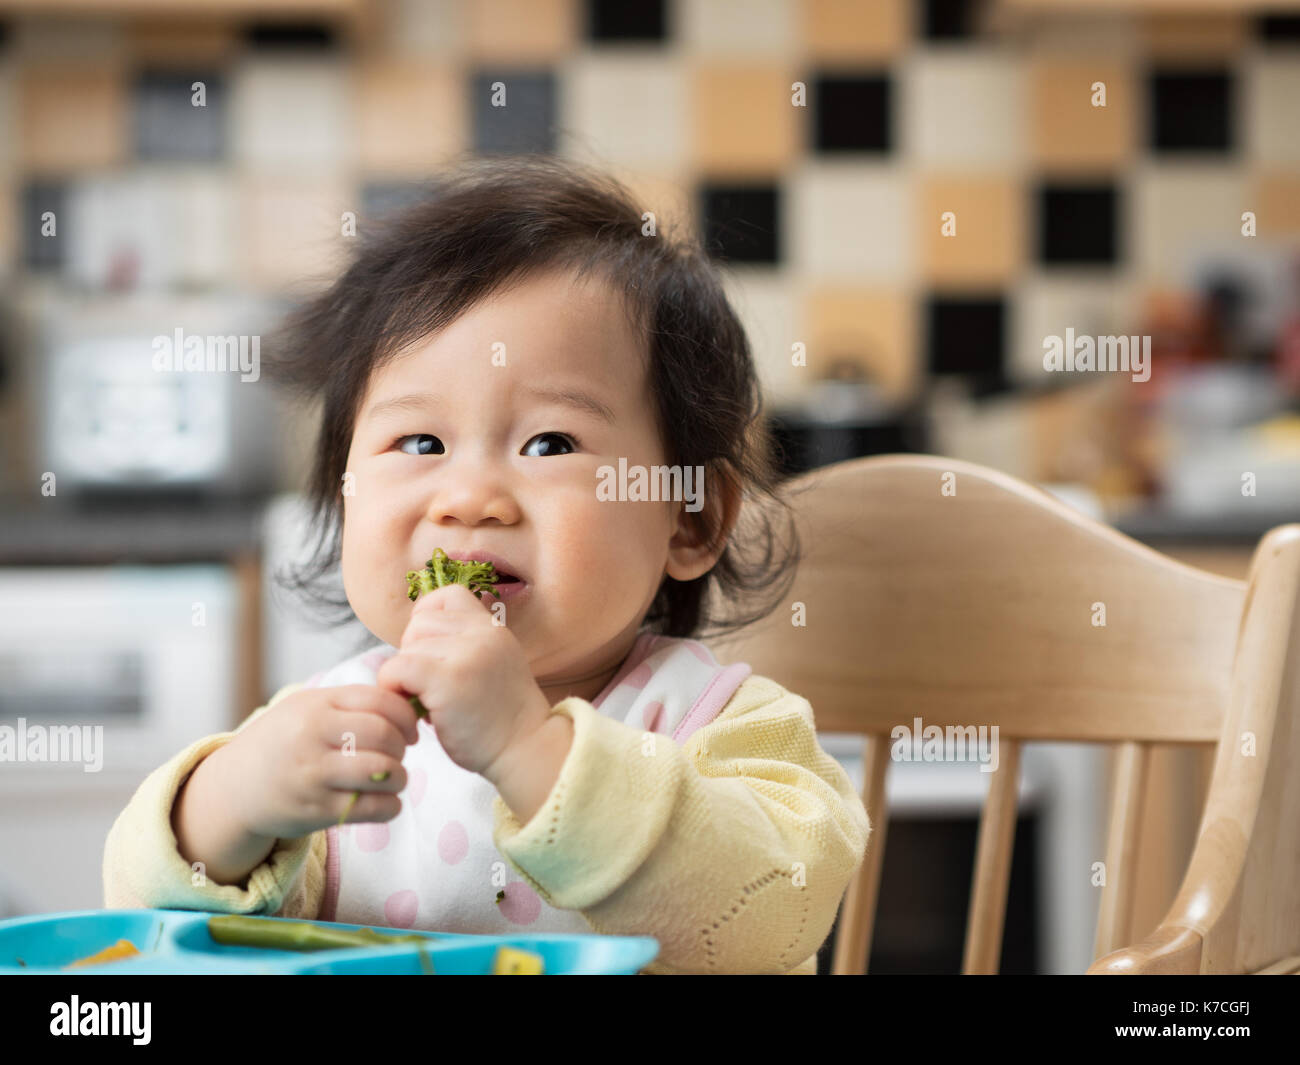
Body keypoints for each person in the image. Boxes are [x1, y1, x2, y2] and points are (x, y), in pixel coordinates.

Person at [103, 155, 871, 975]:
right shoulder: (334, 734)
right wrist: (232, 805)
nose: (469, 498)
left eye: (549, 443)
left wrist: (526, 744)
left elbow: (767, 918)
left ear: (690, 516)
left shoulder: (723, 725)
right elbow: (146, 925)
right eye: (420, 442)